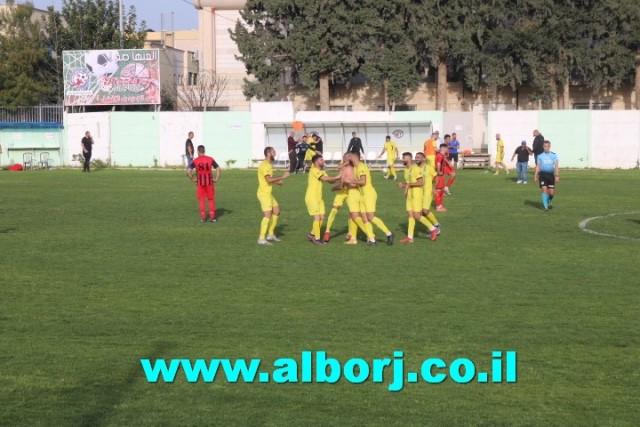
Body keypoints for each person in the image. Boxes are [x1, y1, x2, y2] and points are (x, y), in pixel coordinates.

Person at [346, 152, 394, 246]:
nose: (347, 158)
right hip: (363, 195)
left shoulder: (361, 167)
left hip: (369, 194)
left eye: (349, 156)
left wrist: (351, 181)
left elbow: (363, 181)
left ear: (352, 157)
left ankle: (389, 233)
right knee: (364, 219)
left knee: (371, 217)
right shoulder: (356, 168)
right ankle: (372, 240)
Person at [398, 152, 438, 243]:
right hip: (409, 196)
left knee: (417, 215)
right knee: (410, 215)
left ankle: (432, 229)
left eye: (403, 158)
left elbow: (420, 183)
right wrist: (403, 186)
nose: (402, 160)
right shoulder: (406, 170)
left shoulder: (416, 169)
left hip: (417, 195)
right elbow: (410, 183)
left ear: (408, 159)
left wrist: (407, 185)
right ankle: (410, 237)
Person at [341, 153, 377, 246]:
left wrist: (338, 186)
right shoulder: (355, 167)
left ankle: (370, 235)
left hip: (352, 193)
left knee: (355, 216)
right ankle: (353, 237)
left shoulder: (348, 168)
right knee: (353, 216)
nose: (345, 159)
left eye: (346, 157)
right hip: (359, 192)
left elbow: (344, 182)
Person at [257, 147, 290, 245]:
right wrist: (282, 177)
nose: (275, 153)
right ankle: (261, 238)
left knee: (276, 211)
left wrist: (277, 181)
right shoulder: (265, 166)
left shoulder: (267, 165)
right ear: (268, 153)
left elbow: (268, 179)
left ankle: (270, 234)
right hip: (263, 193)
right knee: (267, 215)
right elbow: (268, 180)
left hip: (267, 193)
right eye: (273, 152)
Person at [305, 154, 341, 245]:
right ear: (316, 162)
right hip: (312, 197)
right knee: (317, 217)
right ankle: (317, 239)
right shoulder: (313, 170)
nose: (323, 161)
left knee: (322, 217)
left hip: (319, 198)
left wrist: (339, 176)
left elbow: (329, 180)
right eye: (321, 160)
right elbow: (324, 178)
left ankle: (312, 234)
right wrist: (337, 177)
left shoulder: (321, 171)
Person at [324, 153, 353, 242]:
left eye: (346, 158)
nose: (344, 159)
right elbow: (338, 177)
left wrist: (334, 188)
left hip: (351, 191)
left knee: (352, 212)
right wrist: (328, 179)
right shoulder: (343, 167)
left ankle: (350, 233)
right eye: (344, 158)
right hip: (342, 192)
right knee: (334, 209)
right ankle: (327, 232)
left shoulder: (354, 166)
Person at [187, 145, 221, 222]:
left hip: (200, 183)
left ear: (198, 151)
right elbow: (218, 168)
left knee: (201, 200)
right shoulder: (210, 159)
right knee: (211, 199)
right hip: (209, 182)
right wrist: (216, 178)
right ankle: (212, 218)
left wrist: (193, 179)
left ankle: (203, 218)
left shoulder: (195, 160)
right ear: (204, 151)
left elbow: (188, 172)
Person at [415, 152, 441, 235]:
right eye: (416, 157)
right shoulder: (415, 168)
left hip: (428, 192)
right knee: (420, 213)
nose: (416, 159)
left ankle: (436, 226)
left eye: (418, 157)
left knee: (425, 211)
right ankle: (433, 227)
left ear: (423, 158)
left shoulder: (429, 167)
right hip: (418, 193)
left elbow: (436, 177)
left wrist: (434, 188)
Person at [534, 140, 560, 211]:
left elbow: (556, 166)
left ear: (549, 147)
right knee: (544, 189)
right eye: (545, 146)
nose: (546, 148)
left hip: (551, 175)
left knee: (552, 193)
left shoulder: (554, 155)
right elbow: (538, 166)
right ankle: (546, 207)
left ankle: (549, 200)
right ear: (543, 147)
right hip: (543, 175)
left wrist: (557, 176)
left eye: (547, 146)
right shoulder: (540, 156)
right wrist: (535, 175)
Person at [435, 144, 451, 211]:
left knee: (441, 190)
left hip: (441, 175)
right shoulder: (440, 156)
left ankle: (440, 205)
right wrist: (439, 172)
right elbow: (438, 164)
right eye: (447, 148)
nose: (447, 150)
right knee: (438, 190)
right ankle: (438, 206)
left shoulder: (441, 155)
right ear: (443, 148)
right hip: (439, 176)